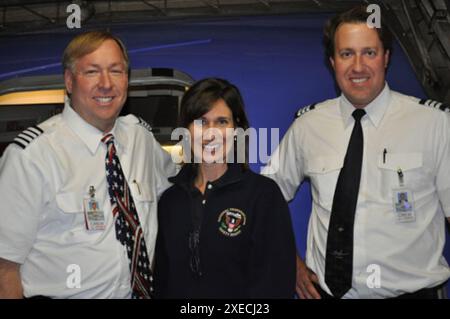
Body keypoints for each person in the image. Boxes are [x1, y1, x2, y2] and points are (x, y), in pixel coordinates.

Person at [262, 5, 450, 299]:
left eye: (369, 53)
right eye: (347, 54)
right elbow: (263, 198)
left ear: (386, 58)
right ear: (332, 62)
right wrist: (291, 262)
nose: (358, 66)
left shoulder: (434, 124)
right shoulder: (307, 126)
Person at [0, 31, 176, 298]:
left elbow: (180, 190)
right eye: (92, 72)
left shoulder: (141, 139)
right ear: (69, 81)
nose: (106, 84)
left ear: (127, 80)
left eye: (116, 71)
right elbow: (4, 269)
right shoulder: (31, 157)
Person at [154, 78, 296, 298]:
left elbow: (276, 286)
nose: (211, 133)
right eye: (201, 121)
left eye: (222, 122)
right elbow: (163, 284)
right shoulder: (169, 201)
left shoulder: (263, 195)